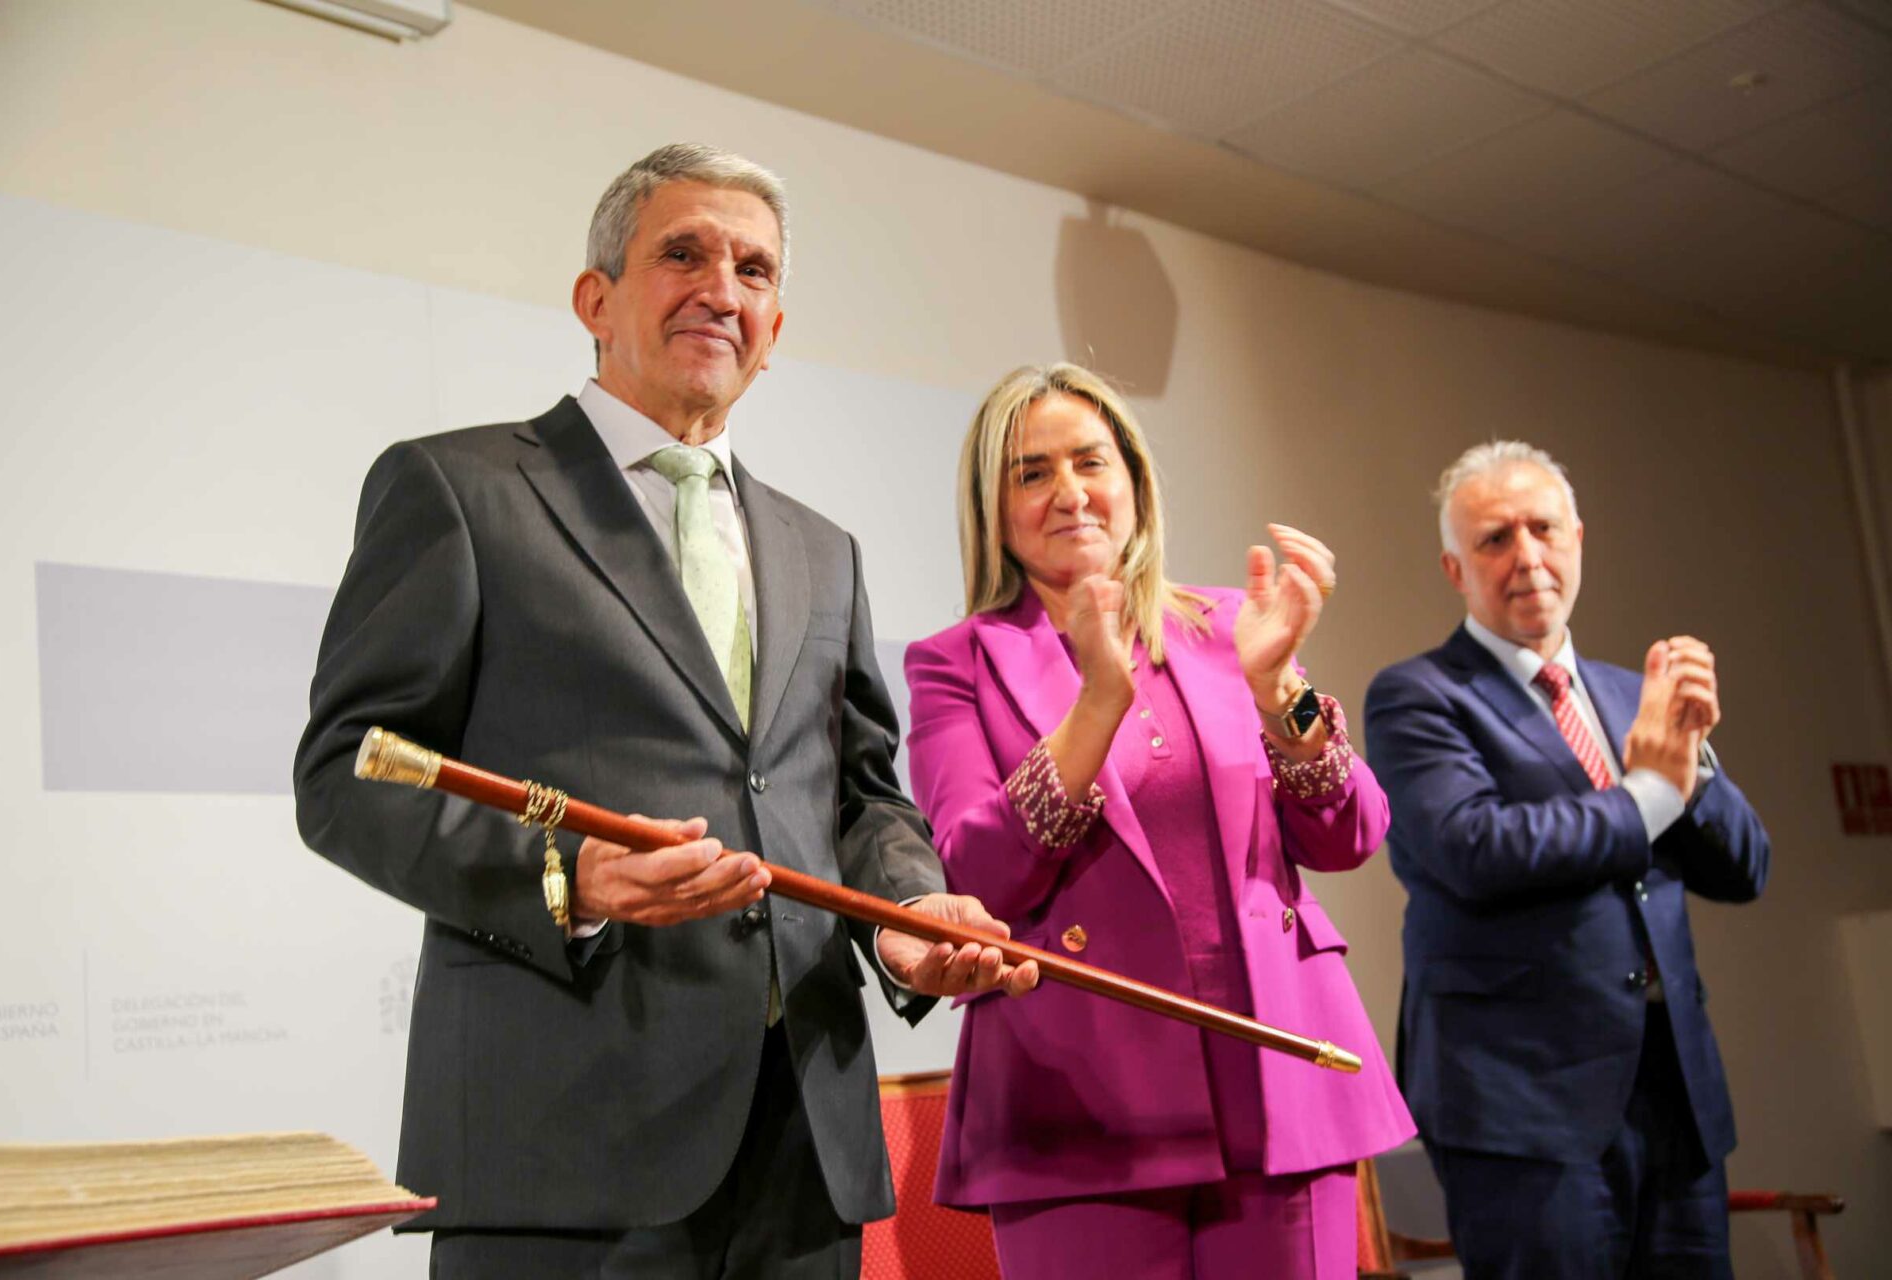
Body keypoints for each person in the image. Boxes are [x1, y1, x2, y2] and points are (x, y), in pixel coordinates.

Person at [293, 142, 1036, 1279]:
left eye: (755, 270)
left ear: (776, 330)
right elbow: (350, 771)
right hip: (565, 1144)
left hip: (808, 1151)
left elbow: (861, 795)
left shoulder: (821, 548)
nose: (722, 289)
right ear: (596, 298)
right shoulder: (459, 489)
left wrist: (908, 912)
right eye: (682, 253)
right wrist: (568, 874)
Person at [902, 363, 1415, 1280]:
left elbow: (1350, 835)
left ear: (1133, 479)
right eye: (1030, 473)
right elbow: (975, 871)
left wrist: (1280, 690)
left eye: (1090, 461)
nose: (1069, 493)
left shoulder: (1231, 625)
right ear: (994, 505)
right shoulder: (956, 663)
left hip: (1279, 1071)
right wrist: (1097, 703)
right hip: (1079, 1099)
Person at [1363, 441, 1770, 1279]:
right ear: (1454, 567)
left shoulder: (1633, 695)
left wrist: (1696, 762)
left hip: (1674, 1091)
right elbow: (1476, 850)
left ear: (1578, 539)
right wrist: (1653, 790)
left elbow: (1746, 869)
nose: (1527, 557)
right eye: (1495, 539)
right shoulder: (1419, 696)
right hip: (1523, 1107)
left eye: (1543, 529)